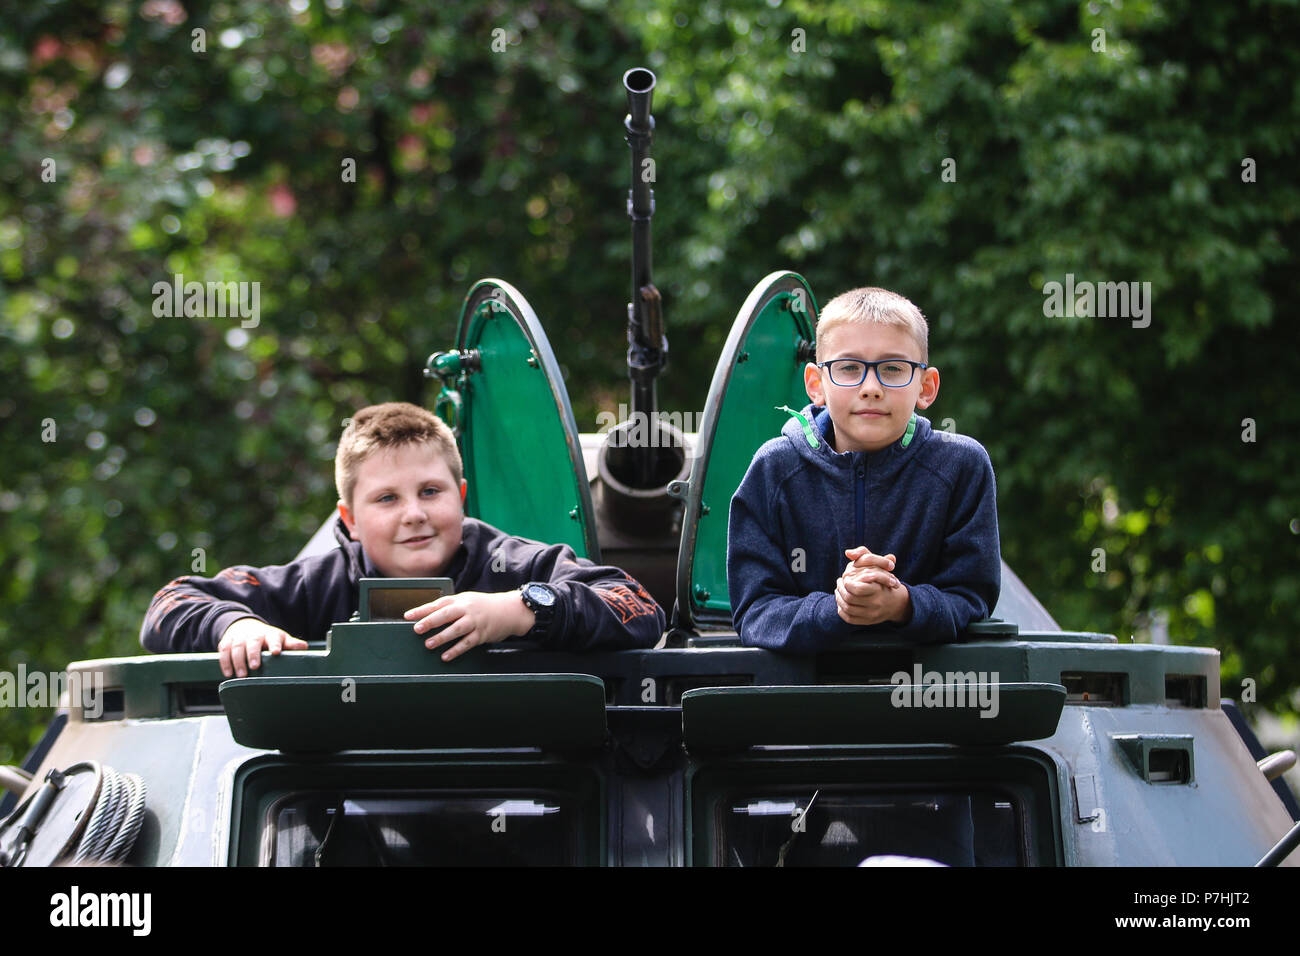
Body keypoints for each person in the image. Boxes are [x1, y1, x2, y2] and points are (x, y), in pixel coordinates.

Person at [140, 402, 664, 676]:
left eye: (431, 491)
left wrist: (521, 609)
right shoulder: (323, 582)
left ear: (460, 495)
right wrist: (235, 626)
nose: (414, 514)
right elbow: (170, 604)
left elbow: (637, 605)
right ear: (348, 519)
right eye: (386, 499)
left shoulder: (511, 565)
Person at [727, 286, 1000, 652]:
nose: (871, 387)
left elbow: (972, 598)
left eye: (892, 368)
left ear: (926, 386)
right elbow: (755, 612)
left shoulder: (962, 466)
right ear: (815, 384)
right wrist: (839, 608)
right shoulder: (773, 469)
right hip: (803, 698)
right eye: (849, 368)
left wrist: (902, 603)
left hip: (931, 695)